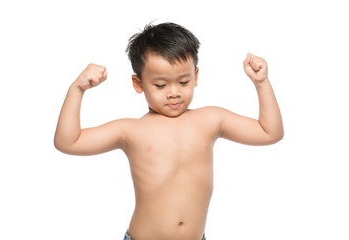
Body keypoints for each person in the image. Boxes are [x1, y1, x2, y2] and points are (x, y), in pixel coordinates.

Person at [54, 22, 284, 240]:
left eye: (183, 82)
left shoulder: (211, 119)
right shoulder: (130, 130)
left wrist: (261, 83)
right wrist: (78, 89)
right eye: (161, 85)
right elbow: (68, 142)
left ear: (195, 76)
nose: (173, 92)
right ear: (138, 84)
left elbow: (269, 132)